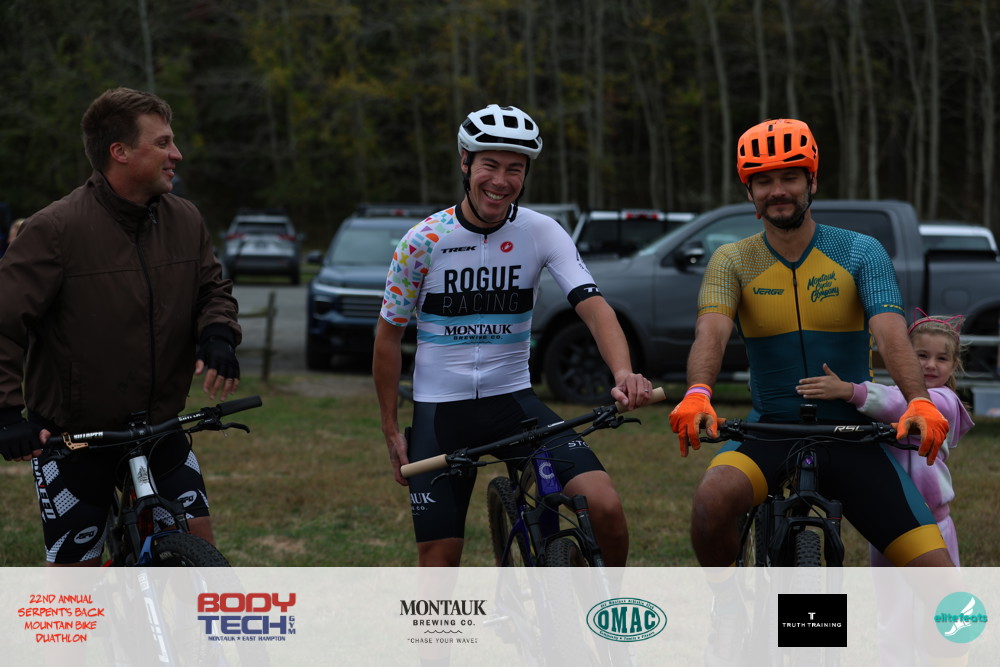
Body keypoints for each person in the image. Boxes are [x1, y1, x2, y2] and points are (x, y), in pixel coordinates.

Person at [373, 104, 653, 567]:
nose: (500, 181)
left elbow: (593, 306)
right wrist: (390, 429)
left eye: (514, 169)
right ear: (465, 162)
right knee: (439, 561)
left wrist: (624, 372)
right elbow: (387, 339)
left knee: (605, 506)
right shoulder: (423, 241)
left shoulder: (541, 231)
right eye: (490, 165)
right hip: (441, 415)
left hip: (515, 406)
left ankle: (605, 607)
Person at [668, 117, 954, 568]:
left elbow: (890, 332)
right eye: (763, 181)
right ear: (749, 192)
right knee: (711, 501)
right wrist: (698, 392)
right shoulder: (732, 260)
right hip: (771, 429)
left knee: (938, 577)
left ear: (812, 181)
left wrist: (918, 400)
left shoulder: (860, 251)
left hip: (852, 435)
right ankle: (726, 600)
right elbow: (712, 331)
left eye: (790, 177)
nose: (777, 190)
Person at [0, 87, 241, 566]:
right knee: (76, 587)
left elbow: (212, 291)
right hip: (74, 442)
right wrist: (6, 414)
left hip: (160, 427)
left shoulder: (185, 219)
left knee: (200, 543)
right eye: (163, 142)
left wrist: (217, 334)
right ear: (120, 152)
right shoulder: (55, 229)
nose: (176, 154)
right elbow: (4, 319)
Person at [797, 310, 973, 565]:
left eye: (942, 358)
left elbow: (897, 405)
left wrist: (848, 391)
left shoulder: (945, 402)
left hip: (932, 522)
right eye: (922, 355)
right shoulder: (891, 392)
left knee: (936, 587)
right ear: (904, 359)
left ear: (954, 365)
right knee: (889, 590)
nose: (931, 364)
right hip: (889, 520)